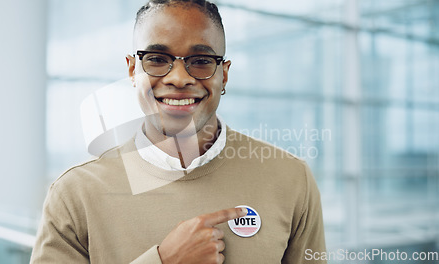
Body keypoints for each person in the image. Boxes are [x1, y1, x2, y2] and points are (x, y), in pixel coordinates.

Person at [30, 0, 326, 263]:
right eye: (158, 59)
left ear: (224, 75)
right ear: (133, 71)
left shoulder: (290, 179)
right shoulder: (75, 194)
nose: (179, 78)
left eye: (200, 61)